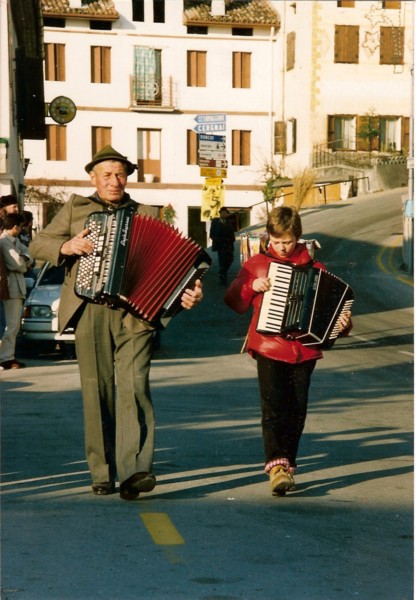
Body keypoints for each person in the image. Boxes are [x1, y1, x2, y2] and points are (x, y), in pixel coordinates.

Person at [29, 145, 204, 501]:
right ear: (92, 177)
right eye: (106, 175)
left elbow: (174, 265)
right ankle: (101, 472)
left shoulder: (148, 213)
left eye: (120, 174)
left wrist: (189, 294)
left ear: (128, 177)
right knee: (97, 391)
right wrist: (67, 247)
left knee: (135, 387)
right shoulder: (77, 208)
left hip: (136, 315)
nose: (114, 181)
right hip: (89, 308)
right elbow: (38, 243)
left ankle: (135, 471)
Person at [224, 206, 352, 496]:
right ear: (269, 236)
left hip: (304, 352)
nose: (282, 247)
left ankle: (288, 464)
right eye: (277, 241)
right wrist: (251, 286)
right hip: (268, 347)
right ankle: (276, 467)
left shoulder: (316, 269)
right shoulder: (256, 264)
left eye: (288, 241)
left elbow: (333, 318)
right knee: (273, 408)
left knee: (297, 410)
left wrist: (344, 324)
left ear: (299, 238)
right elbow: (233, 301)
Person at [0, 213, 34, 369]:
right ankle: (6, 357)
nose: (21, 230)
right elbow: (18, 264)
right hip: (10, 288)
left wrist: (25, 259)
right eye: (20, 227)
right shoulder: (5, 242)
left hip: (17, 287)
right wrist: (25, 260)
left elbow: (29, 255)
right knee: (11, 325)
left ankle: (8, 355)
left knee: (14, 325)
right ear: (15, 227)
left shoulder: (15, 241)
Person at [209, 207, 235, 285]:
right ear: (220, 214)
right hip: (220, 245)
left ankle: (222, 272)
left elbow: (232, 232)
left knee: (230, 259)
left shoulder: (229, 222)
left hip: (229, 244)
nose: (224, 214)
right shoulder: (215, 221)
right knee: (222, 261)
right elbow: (212, 233)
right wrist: (216, 240)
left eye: (225, 213)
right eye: (222, 213)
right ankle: (223, 277)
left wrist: (232, 240)